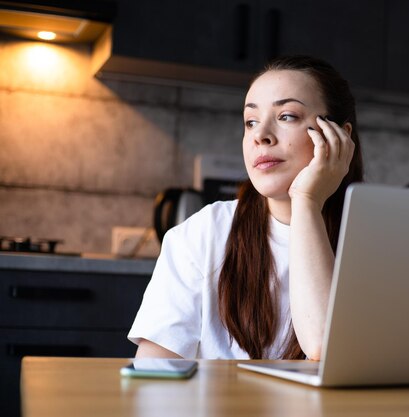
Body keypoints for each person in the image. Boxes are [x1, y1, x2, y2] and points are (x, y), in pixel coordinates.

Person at [128, 55, 364, 361]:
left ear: (339, 136)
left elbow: (326, 348)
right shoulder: (203, 233)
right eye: (250, 121)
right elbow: (152, 372)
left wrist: (306, 202)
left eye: (287, 116)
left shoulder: (375, 238)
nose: (260, 135)